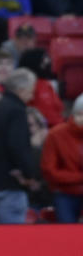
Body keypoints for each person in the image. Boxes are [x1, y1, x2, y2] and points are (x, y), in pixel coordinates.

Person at [0, 68, 38, 224]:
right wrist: (29, 175)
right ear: (21, 89)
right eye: (30, 91)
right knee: (12, 240)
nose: (32, 96)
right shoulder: (16, 111)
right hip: (11, 184)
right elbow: (18, 146)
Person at [40, 94, 83, 223]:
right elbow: (49, 170)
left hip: (66, 190)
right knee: (67, 233)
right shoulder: (56, 135)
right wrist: (80, 177)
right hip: (65, 194)